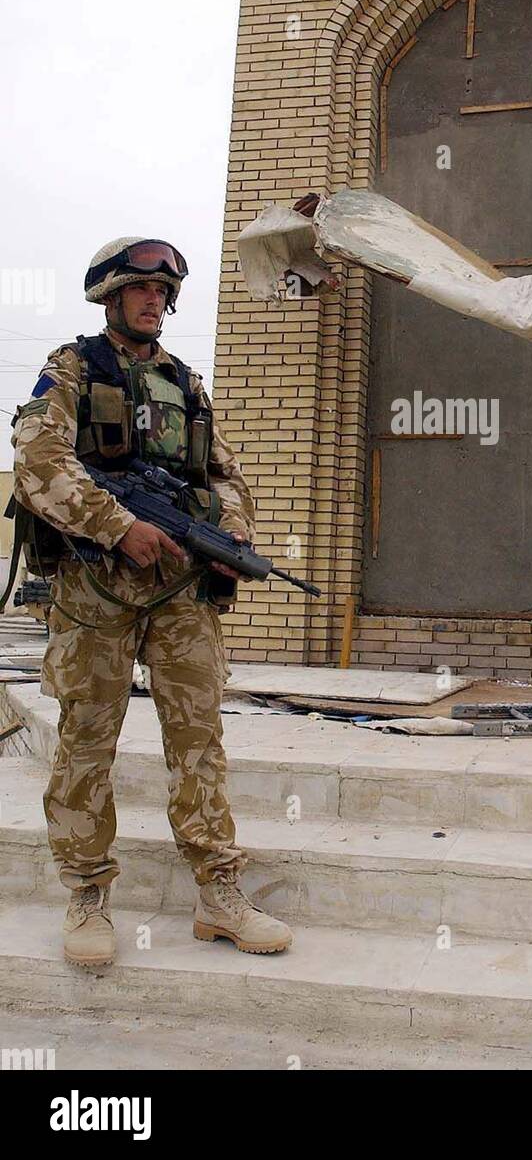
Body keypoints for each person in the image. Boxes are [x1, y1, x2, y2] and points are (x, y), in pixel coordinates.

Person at [9, 237, 293, 964]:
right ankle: (86, 894)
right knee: (84, 744)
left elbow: (227, 474)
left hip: (178, 591)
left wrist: (229, 534)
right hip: (95, 589)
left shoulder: (187, 385)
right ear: (110, 297)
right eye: (141, 291)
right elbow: (38, 461)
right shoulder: (72, 369)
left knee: (199, 742)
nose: (154, 302)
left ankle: (217, 895)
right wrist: (118, 526)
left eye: (163, 293)